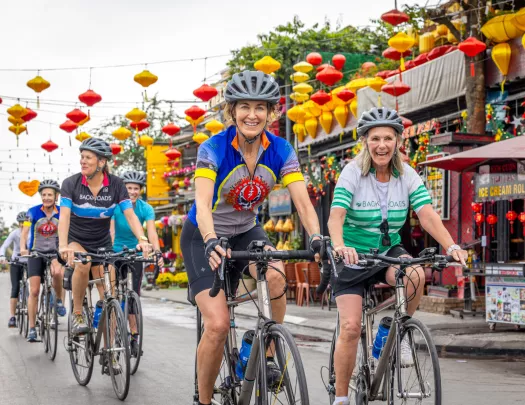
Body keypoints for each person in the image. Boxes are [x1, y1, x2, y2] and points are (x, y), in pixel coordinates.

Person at [182, 70, 323, 405]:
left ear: (271, 113)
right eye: (244, 106)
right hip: (205, 234)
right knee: (217, 325)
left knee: (275, 277)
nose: (252, 114)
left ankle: (268, 352)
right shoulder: (214, 147)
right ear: (232, 111)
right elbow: (201, 203)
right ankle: (203, 400)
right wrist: (210, 240)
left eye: (260, 107)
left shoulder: (280, 149)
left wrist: (317, 238)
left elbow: (302, 201)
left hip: (246, 229)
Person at [327, 107, 468, 405]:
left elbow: (427, 215)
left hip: (387, 250)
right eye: (375, 138)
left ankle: (396, 331)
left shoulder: (406, 175)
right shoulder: (352, 172)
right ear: (365, 141)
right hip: (352, 253)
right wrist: (340, 246)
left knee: (415, 273)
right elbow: (336, 216)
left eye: (388, 138)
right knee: (351, 328)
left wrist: (452, 245)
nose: (382, 145)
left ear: (398, 142)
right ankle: (340, 398)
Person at [58, 138, 151, 339]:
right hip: (77, 240)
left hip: (102, 244)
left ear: (101, 162)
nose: (82, 161)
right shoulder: (70, 184)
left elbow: (130, 215)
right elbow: (64, 217)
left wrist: (143, 239)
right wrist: (63, 246)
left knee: (110, 294)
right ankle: (77, 314)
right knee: (84, 263)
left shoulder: (117, 185)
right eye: (81, 157)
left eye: (88, 157)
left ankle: (111, 349)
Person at [110, 170, 164, 355]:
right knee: (115, 295)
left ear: (140, 190)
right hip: (116, 252)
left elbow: (151, 233)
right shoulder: (116, 206)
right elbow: (111, 231)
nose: (132, 191)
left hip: (136, 253)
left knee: (133, 297)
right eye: (129, 188)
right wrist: (110, 250)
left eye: (136, 188)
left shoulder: (145, 208)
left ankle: (134, 336)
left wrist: (156, 252)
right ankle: (113, 335)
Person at [20, 180, 64, 342]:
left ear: (56, 196)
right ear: (41, 196)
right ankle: (32, 328)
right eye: (44, 195)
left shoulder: (62, 212)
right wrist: (23, 248)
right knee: (34, 291)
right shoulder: (32, 212)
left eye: (50, 195)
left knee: (58, 272)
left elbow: (68, 229)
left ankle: (58, 300)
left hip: (55, 252)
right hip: (36, 253)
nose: (46, 198)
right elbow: (25, 232)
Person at [0, 211, 27, 328]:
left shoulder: (32, 233)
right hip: (16, 262)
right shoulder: (15, 233)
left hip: (29, 262)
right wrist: (2, 256)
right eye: (20, 222)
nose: (22, 225)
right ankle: (12, 317)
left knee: (32, 287)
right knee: (15, 288)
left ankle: (33, 314)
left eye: (25, 222)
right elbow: (4, 245)